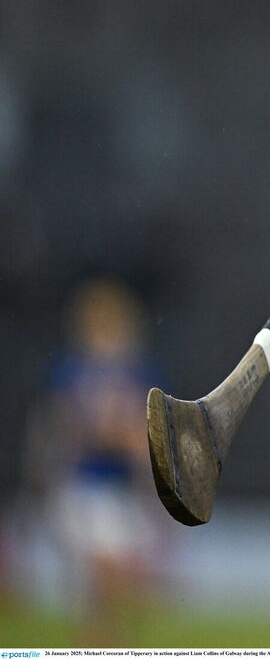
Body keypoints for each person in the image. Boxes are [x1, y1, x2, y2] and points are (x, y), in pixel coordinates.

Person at [23, 276, 163, 646]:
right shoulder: (72, 371)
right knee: (104, 583)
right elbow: (73, 431)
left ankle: (103, 641)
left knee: (122, 595)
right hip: (84, 490)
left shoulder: (139, 372)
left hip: (120, 493)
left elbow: (141, 439)